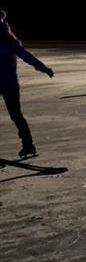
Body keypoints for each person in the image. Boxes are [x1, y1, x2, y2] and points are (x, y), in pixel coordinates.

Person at [1, 13, 54, 160]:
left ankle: (28, 144)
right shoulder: (12, 44)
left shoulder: (11, 45)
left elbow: (28, 57)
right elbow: (28, 57)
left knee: (16, 115)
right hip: (10, 85)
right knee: (16, 115)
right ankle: (28, 144)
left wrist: (43, 68)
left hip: (9, 85)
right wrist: (44, 68)